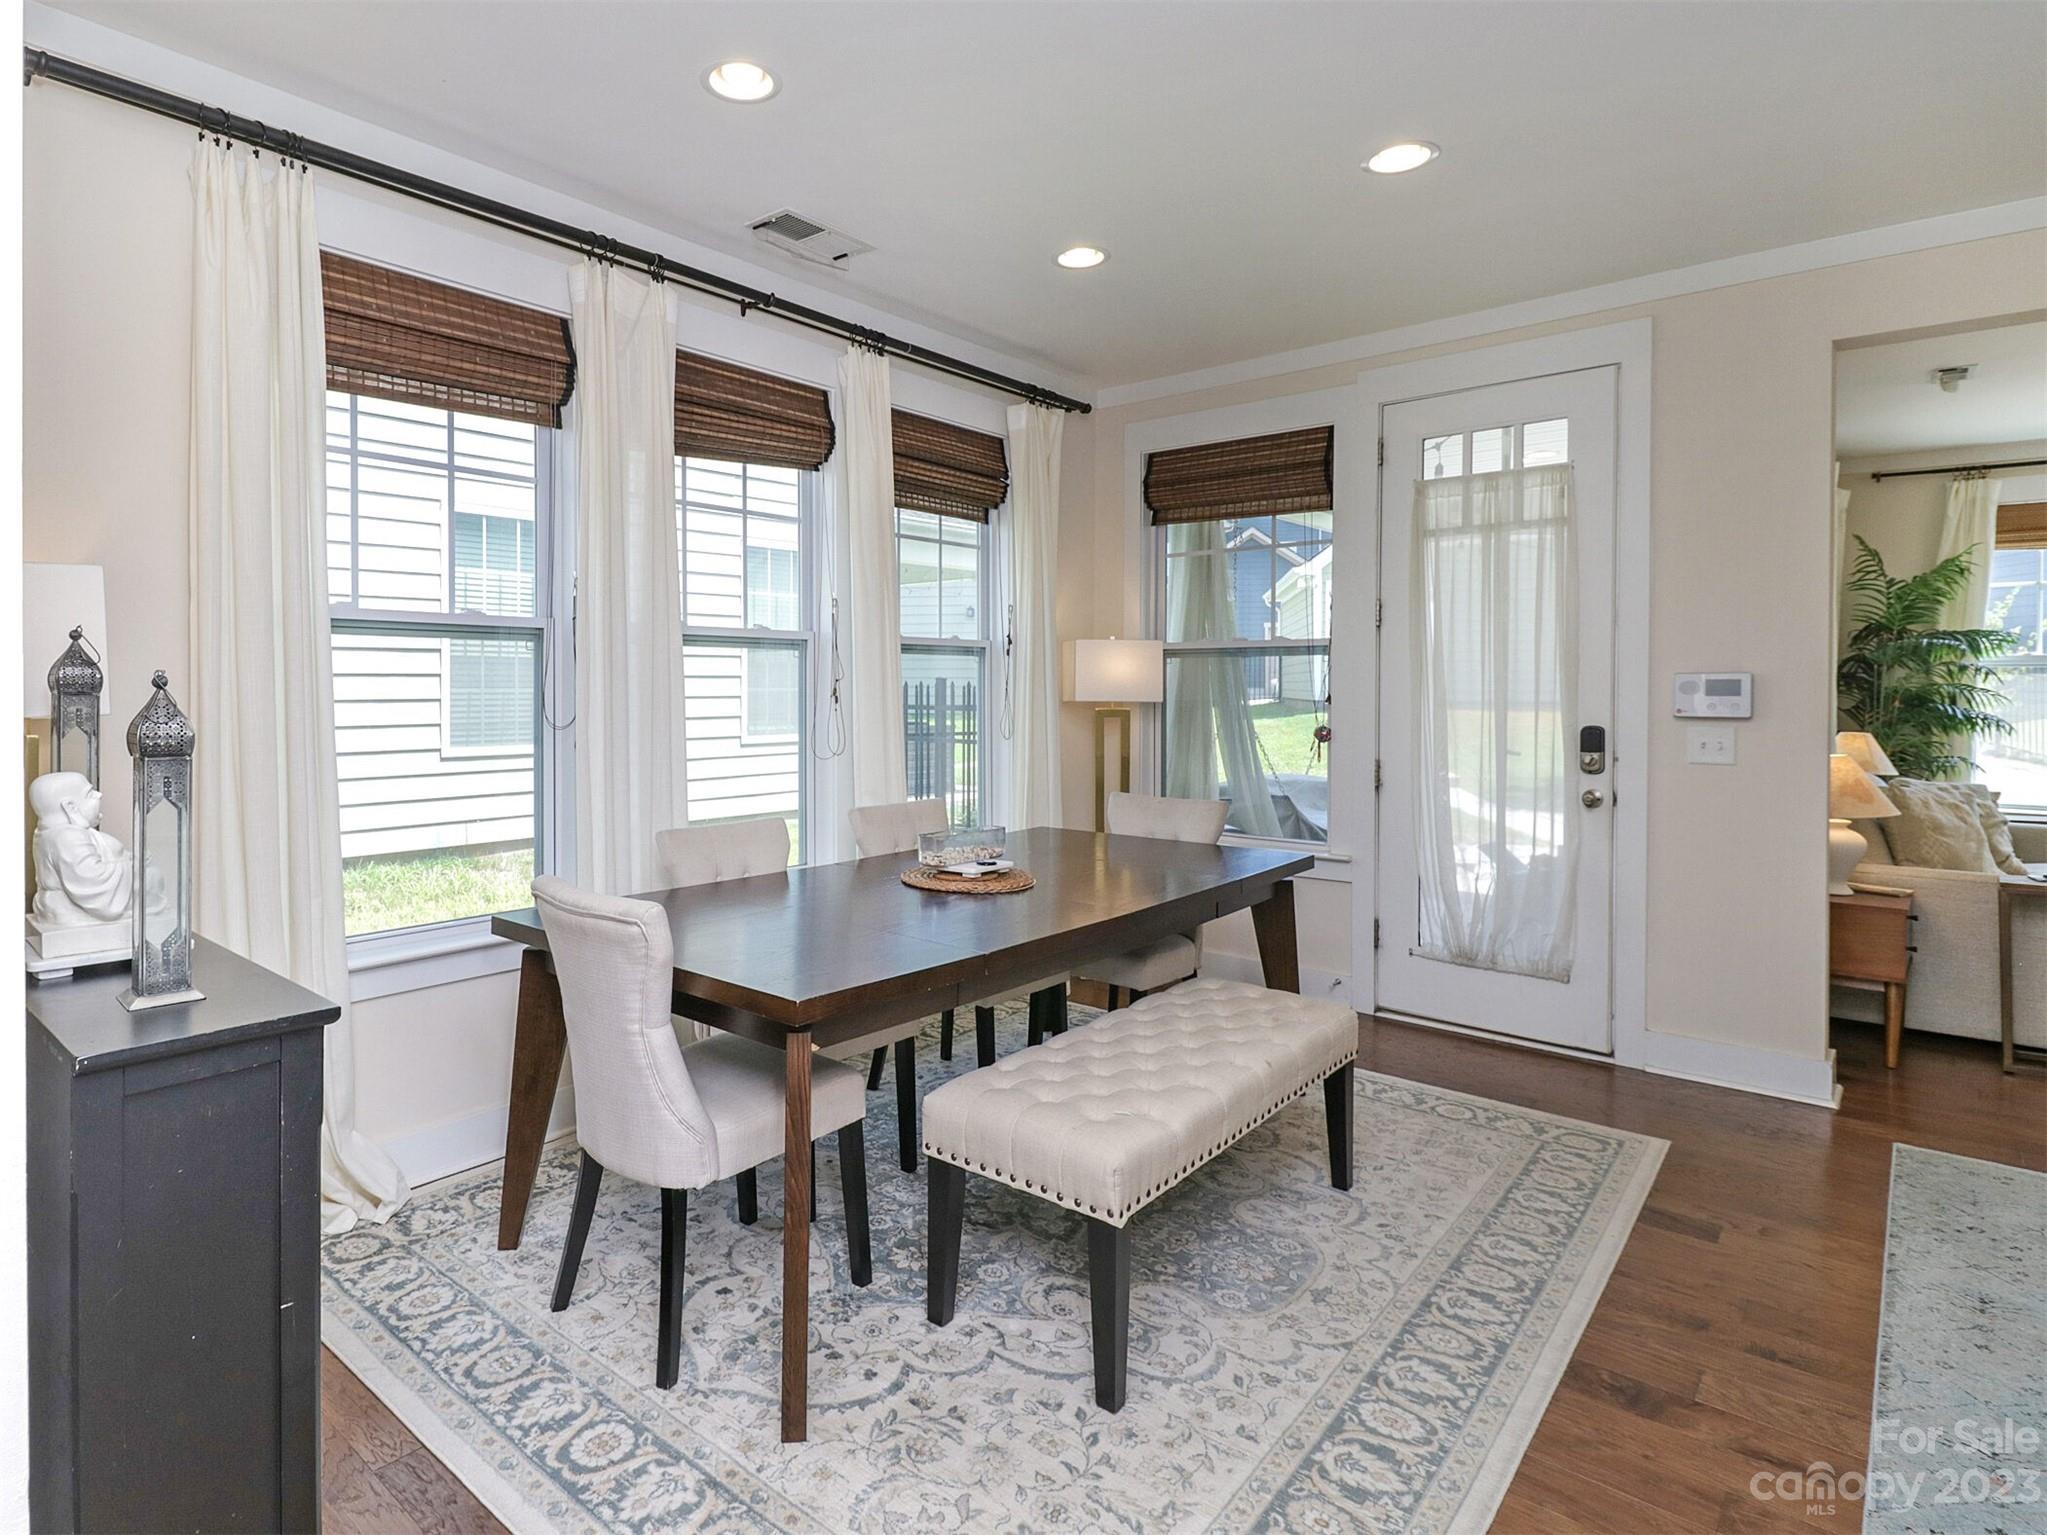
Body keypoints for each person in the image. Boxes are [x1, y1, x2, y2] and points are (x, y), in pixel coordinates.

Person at [29, 770, 133, 927]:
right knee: (148, 876)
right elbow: (91, 881)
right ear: (70, 807)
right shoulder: (67, 837)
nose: (99, 795)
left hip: (54, 905)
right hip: (70, 909)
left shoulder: (49, 833)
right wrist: (130, 866)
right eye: (90, 793)